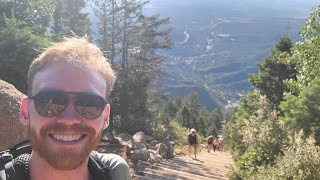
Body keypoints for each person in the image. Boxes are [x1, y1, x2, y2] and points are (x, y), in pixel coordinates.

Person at [0, 37, 131, 180]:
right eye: (49, 101)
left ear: (105, 117)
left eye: (89, 104)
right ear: (25, 112)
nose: (69, 120)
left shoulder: (115, 172)